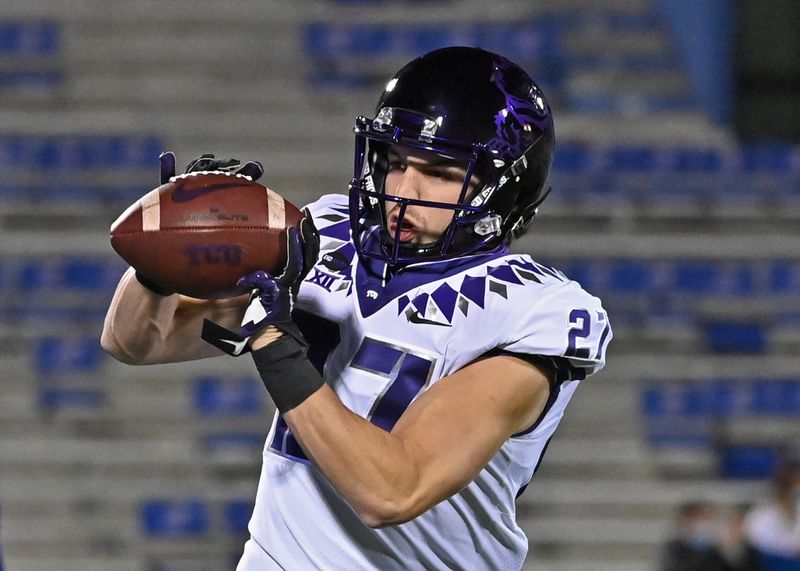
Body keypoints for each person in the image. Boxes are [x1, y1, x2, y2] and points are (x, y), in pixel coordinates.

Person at [102, 46, 611, 570]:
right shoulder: (329, 234)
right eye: (393, 162)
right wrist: (163, 262)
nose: (402, 192)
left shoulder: (533, 311)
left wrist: (276, 346)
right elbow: (137, 342)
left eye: (438, 172)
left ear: (507, 187)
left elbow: (393, 491)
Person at [743, 460, 800, 560]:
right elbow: (760, 546)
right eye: (796, 484)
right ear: (784, 487)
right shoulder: (760, 516)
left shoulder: (797, 507)